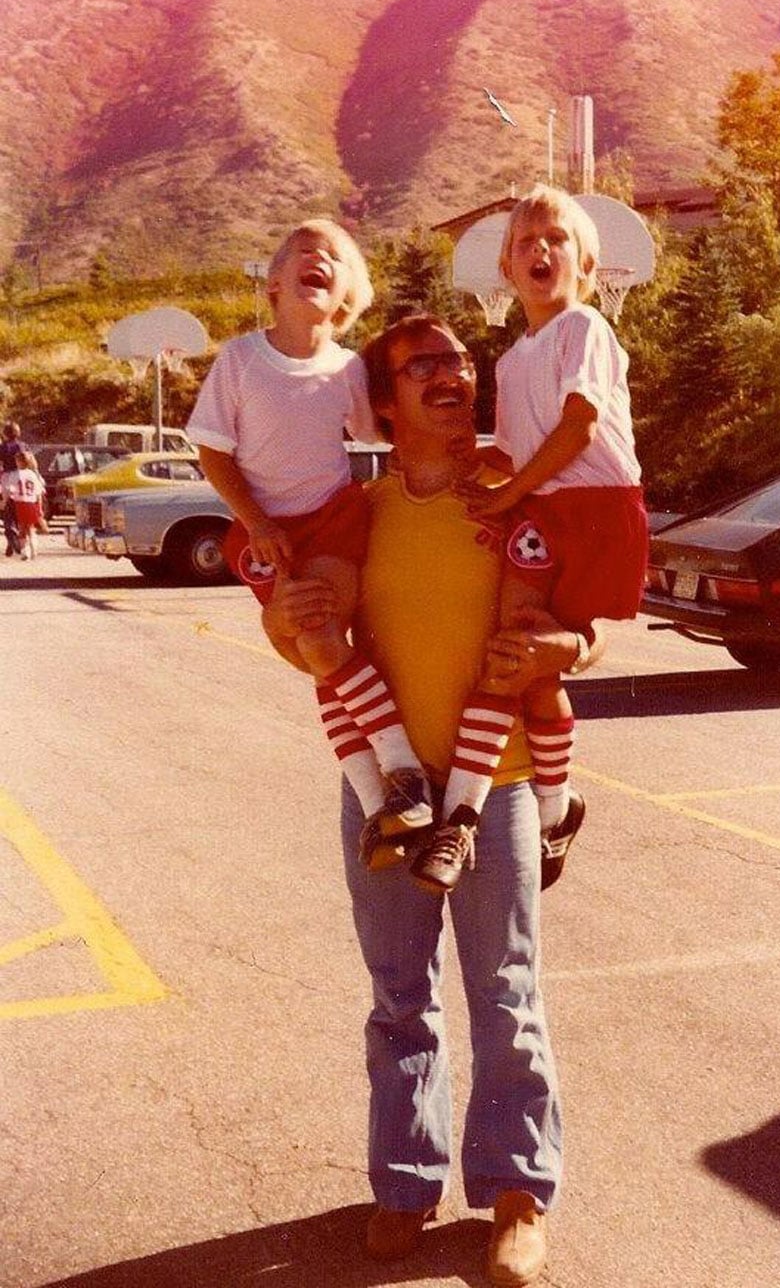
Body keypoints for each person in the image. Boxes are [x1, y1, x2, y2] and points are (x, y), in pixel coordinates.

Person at [265, 313, 603, 1286]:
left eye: (460, 360)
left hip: (492, 789)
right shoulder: (357, 511)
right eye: (424, 365)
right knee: (398, 998)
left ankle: (515, 1193)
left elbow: (594, 619)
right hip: (389, 797)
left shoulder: (519, 485)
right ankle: (406, 1183)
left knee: (506, 994)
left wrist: (565, 651)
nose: (451, 373)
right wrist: (290, 624)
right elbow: (307, 637)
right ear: (382, 402)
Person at [411, 184, 646, 892]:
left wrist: (508, 493)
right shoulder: (512, 362)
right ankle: (518, 810)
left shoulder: (586, 331)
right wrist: (468, 462)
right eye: (524, 243)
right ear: (506, 271)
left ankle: (545, 804)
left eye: (556, 240)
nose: (540, 250)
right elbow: (518, 452)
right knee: (515, 655)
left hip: (600, 509)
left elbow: (576, 429)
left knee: (533, 658)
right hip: (542, 510)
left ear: (588, 263)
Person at [187, 219, 433, 838]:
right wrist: (257, 520)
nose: (316, 257)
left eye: (331, 256)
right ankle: (383, 800)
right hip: (263, 532)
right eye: (302, 251)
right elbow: (212, 453)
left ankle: (402, 773)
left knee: (323, 640)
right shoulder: (241, 359)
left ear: (346, 294)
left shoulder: (347, 369)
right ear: (273, 283)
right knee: (319, 652)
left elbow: (380, 436)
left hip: (333, 521)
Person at [2, 447, 46, 560]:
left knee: (21, 529)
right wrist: (40, 508)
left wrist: (4, 501)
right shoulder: (33, 475)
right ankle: (34, 549)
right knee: (30, 528)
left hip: (19, 503)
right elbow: (39, 493)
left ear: (19, 462)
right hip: (31, 503)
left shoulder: (14, 475)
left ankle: (25, 551)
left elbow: (8, 490)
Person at [1, 421, 25, 556]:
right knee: (20, 509)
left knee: (8, 509)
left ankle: (11, 536)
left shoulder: (3, 447)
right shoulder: (23, 446)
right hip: (21, 477)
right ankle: (17, 541)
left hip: (8, 478)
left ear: (5, 433)